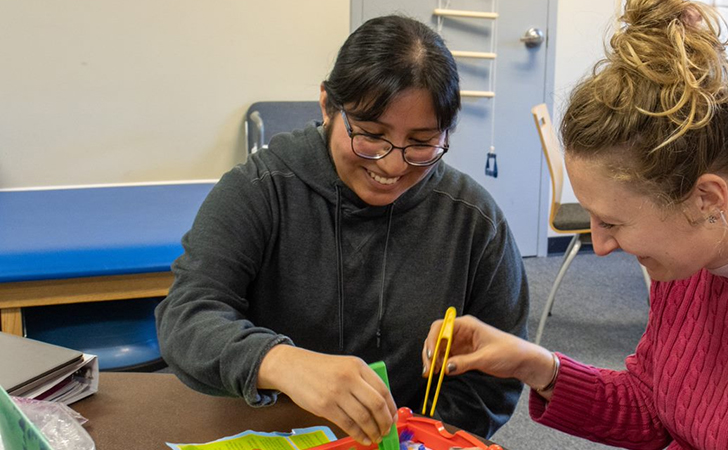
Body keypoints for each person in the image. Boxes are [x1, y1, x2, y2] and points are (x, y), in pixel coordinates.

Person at [422, 1, 728, 449]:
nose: (602, 245)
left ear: (707, 199)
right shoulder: (694, 252)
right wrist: (536, 365)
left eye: (613, 222)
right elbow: (657, 406)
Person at [155, 15, 528, 446]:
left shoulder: (474, 220)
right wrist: (279, 361)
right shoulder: (260, 190)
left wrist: (417, 437)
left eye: (422, 142)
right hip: (271, 433)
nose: (393, 165)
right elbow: (187, 317)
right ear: (327, 106)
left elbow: (493, 383)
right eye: (371, 134)